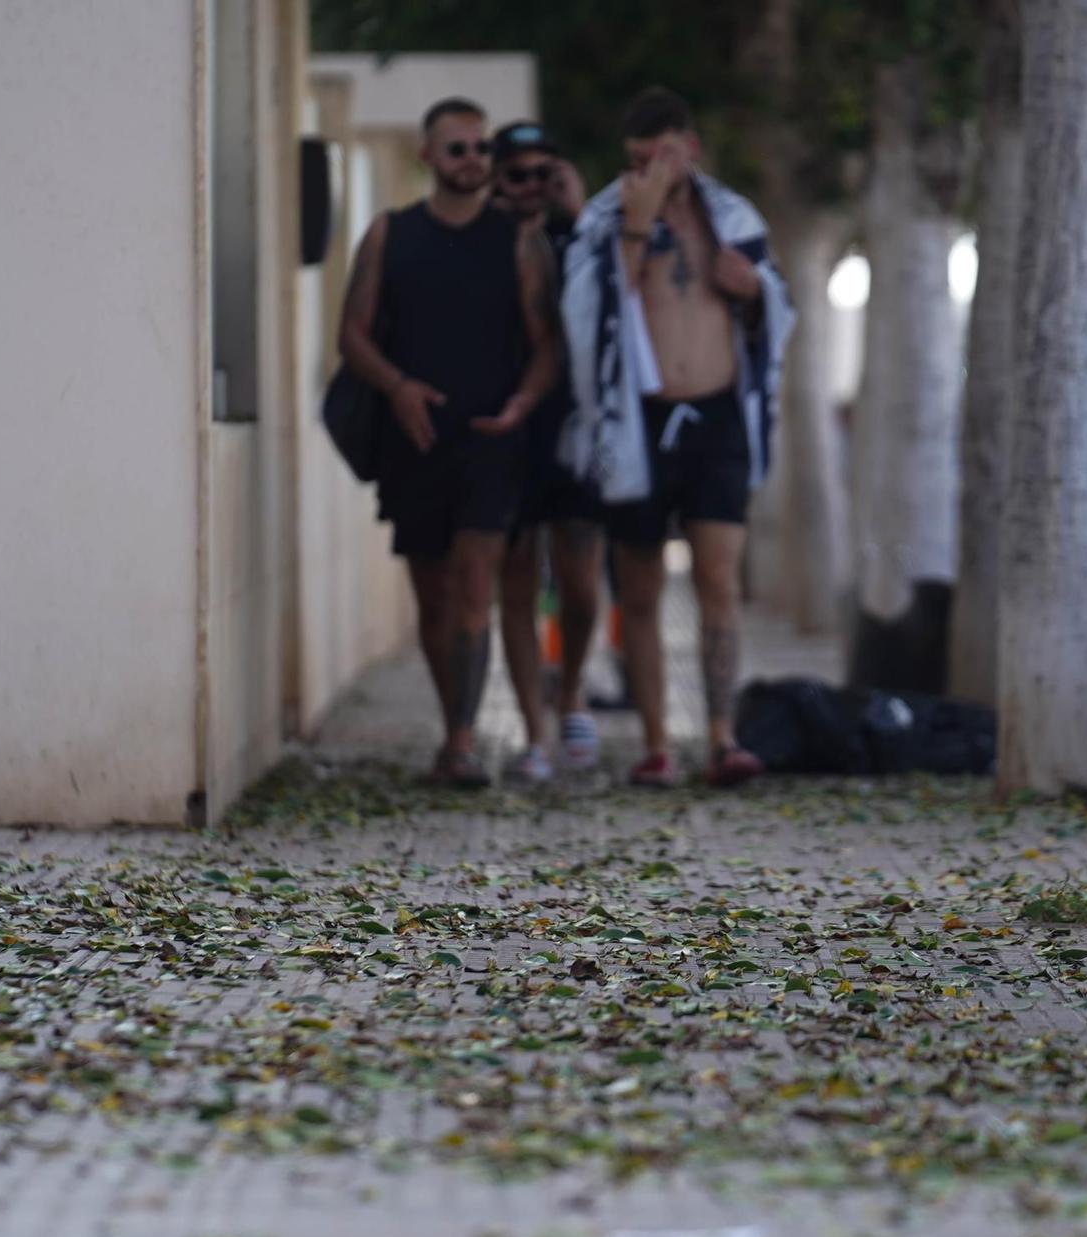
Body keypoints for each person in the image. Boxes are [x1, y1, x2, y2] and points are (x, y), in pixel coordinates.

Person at [559, 88, 794, 788]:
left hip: (717, 416)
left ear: (688, 148)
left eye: (659, 157)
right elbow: (589, 314)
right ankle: (657, 742)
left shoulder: (733, 218)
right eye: (635, 161)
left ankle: (722, 737)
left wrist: (753, 288)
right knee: (639, 587)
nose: (648, 171)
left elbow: (777, 308)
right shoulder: (608, 218)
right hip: (640, 422)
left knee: (719, 577)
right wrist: (635, 222)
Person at [337, 98, 559, 787]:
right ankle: (452, 724)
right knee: (432, 597)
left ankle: (461, 743)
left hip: (492, 442)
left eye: (480, 149)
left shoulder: (519, 241)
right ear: (428, 156)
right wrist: (398, 387)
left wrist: (522, 401)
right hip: (416, 440)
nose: (472, 160)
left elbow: (549, 342)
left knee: (472, 585)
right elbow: (352, 334)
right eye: (457, 149)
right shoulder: (389, 234)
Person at [487, 121, 603, 783]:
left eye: (544, 173)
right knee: (519, 585)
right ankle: (535, 727)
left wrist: (580, 210)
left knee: (583, 586)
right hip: (508, 429)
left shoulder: (581, 238)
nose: (532, 187)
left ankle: (574, 688)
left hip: (576, 428)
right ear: (499, 179)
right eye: (519, 174)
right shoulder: (484, 243)